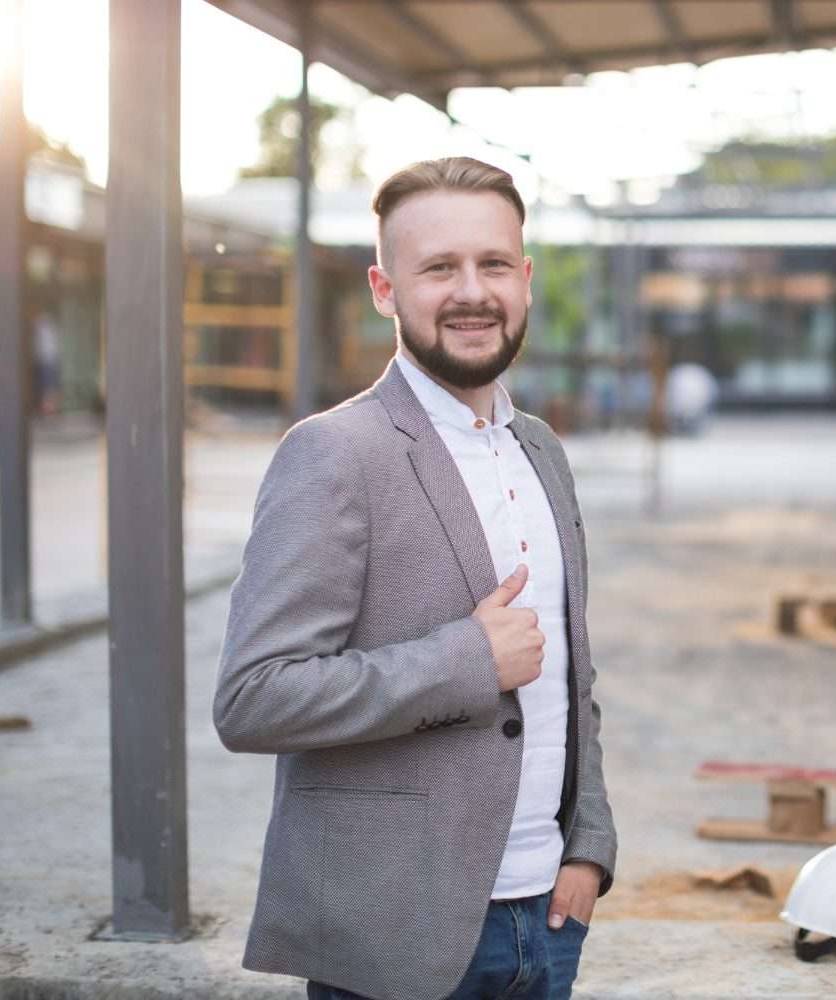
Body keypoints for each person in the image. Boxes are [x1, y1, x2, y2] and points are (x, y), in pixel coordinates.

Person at [214, 156, 616, 1000]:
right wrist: (466, 659)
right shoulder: (334, 454)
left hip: (548, 919)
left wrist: (588, 847)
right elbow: (254, 697)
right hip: (398, 931)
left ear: (526, 279)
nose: (472, 291)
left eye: (493, 264)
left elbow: (573, 683)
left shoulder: (541, 449)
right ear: (385, 289)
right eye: (439, 268)